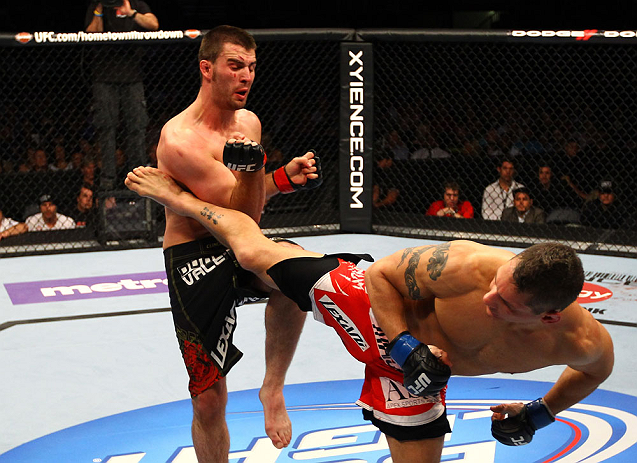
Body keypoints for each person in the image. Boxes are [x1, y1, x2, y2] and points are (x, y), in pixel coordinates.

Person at [125, 165, 614, 463]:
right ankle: (180, 199)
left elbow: (594, 373)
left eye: (506, 305)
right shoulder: (470, 266)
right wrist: (405, 344)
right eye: (498, 286)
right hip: (378, 314)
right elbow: (381, 275)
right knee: (255, 254)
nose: (490, 299)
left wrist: (540, 412)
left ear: (549, 317)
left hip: (422, 378)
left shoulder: (583, 343)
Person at [154, 26, 322, 462]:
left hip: (240, 238)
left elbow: (243, 205)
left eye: (251, 67)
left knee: (296, 276)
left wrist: (278, 180)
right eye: (235, 66)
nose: (245, 76)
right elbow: (238, 214)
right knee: (209, 399)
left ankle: (273, 387)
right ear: (207, 69)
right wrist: (256, 172)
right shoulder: (179, 141)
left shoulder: (248, 124)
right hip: (193, 251)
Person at [85, 0, 159, 190]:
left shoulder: (136, 4)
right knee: (106, 129)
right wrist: (100, 10)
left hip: (132, 76)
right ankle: (108, 181)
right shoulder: (99, 5)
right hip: (104, 76)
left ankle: (138, 177)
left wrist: (131, 13)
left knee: (136, 127)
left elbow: (153, 24)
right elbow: (92, 33)